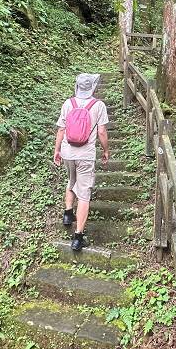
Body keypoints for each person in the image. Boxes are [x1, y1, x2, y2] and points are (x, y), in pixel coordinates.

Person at [53, 73, 110, 251]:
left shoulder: (68, 103)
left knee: (71, 181)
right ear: (93, 87)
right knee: (84, 194)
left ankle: (68, 213)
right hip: (85, 155)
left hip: (68, 152)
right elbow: (101, 132)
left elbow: (61, 130)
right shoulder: (99, 105)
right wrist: (106, 150)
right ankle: (78, 237)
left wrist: (57, 150)